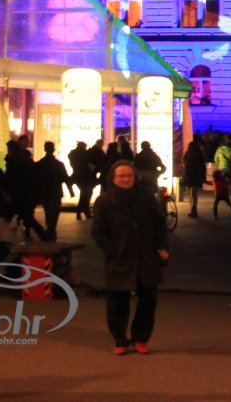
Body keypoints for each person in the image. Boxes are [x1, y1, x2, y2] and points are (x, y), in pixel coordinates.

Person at [91, 160, 170, 355]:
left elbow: (159, 224)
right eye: (121, 176)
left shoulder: (146, 197)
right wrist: (112, 249)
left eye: (129, 175)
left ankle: (140, 338)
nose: (126, 179)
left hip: (146, 255)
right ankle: (120, 339)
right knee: (117, 301)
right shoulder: (104, 201)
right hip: (120, 257)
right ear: (113, 178)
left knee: (148, 300)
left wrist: (162, 246)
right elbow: (98, 232)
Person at [33, 141, 72, 240]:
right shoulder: (58, 164)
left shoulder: (40, 164)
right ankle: (51, 230)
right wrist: (71, 190)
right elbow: (65, 178)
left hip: (45, 192)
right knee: (54, 213)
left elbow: (35, 179)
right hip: (56, 192)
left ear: (45, 149)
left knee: (48, 213)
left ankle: (50, 231)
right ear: (53, 149)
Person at [69, 139, 98, 219]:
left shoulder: (73, 154)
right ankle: (84, 211)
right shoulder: (84, 154)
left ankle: (81, 212)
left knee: (84, 193)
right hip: (85, 176)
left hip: (77, 175)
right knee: (85, 194)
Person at [180, 138, 208, 218]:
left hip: (189, 175)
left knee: (190, 193)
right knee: (193, 193)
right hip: (195, 176)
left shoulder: (187, 155)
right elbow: (203, 168)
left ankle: (193, 209)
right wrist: (203, 177)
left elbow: (184, 164)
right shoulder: (199, 156)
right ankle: (193, 209)